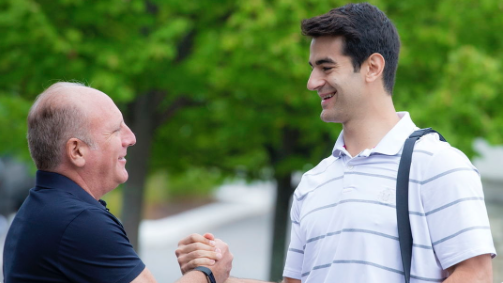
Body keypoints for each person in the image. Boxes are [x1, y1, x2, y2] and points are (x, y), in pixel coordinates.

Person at [175, 3, 496, 282]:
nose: (312, 82)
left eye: (326, 67)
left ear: (372, 67)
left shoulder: (438, 164)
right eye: (313, 68)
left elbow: (475, 274)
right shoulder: (313, 184)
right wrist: (214, 276)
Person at [2, 82, 233, 283]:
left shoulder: (46, 210)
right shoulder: (77, 221)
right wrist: (209, 272)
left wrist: (206, 273)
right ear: (76, 150)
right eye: (115, 130)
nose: (131, 138)